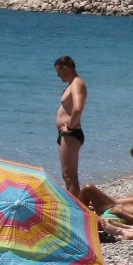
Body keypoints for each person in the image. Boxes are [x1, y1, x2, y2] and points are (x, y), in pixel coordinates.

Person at [54, 56, 87, 197]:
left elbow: (78, 108)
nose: (58, 75)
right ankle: (73, 204)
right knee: (66, 174)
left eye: (58, 71)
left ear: (65, 67)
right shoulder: (72, 84)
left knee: (69, 175)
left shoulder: (77, 83)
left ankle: (74, 208)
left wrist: (70, 128)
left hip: (72, 133)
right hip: (68, 134)